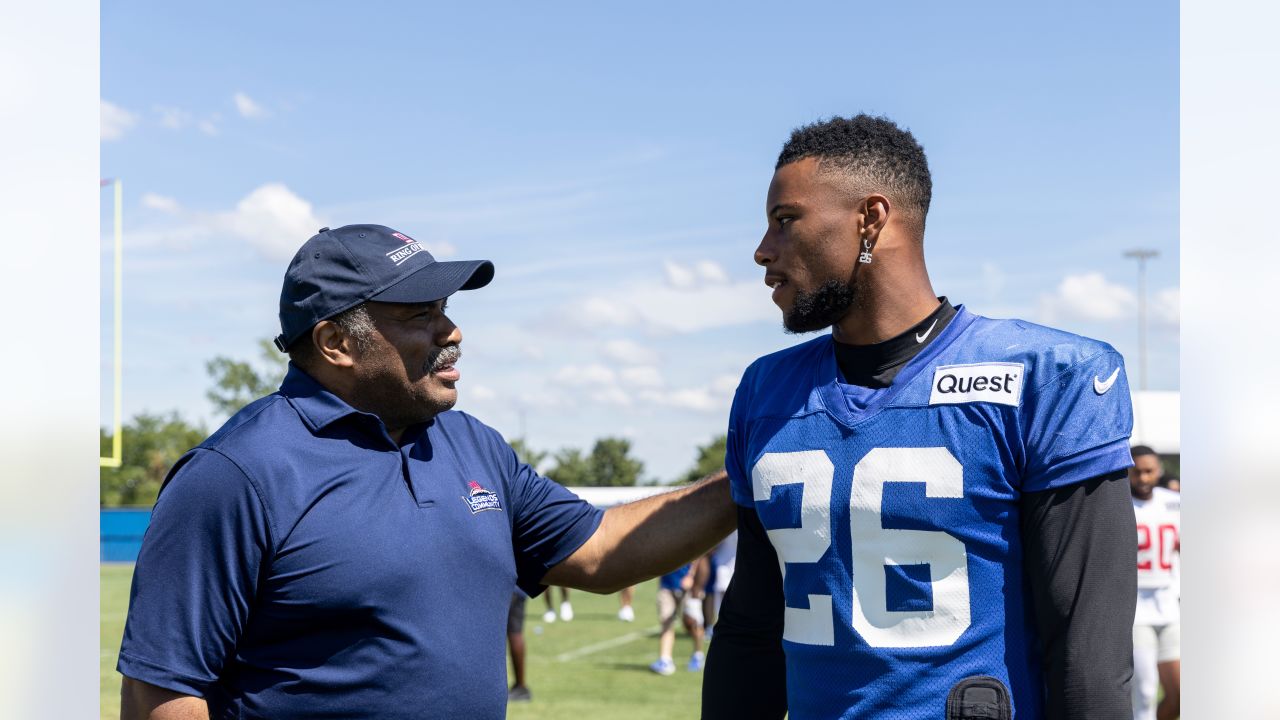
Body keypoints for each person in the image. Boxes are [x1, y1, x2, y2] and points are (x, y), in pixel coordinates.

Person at [116, 224, 736, 720]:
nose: (453, 331)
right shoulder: (236, 474)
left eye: (446, 308)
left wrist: (749, 480)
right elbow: (160, 692)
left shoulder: (473, 445)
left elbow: (601, 551)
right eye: (421, 315)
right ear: (336, 342)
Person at [702, 116, 1138, 720]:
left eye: (785, 220)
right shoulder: (765, 390)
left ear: (870, 220)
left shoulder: (1048, 375)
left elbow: (1087, 650)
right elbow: (752, 624)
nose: (762, 250)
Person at [1129, 445, 1180, 720]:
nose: (1144, 478)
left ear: (1158, 470)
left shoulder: (1173, 502)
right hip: (1136, 609)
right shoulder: (1121, 504)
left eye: (1149, 471)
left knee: (1181, 693)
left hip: (1168, 604)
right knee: (1146, 693)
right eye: (1137, 472)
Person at [649, 555, 709, 675]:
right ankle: (665, 660)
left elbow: (700, 555)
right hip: (666, 586)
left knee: (693, 622)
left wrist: (691, 575)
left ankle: (698, 654)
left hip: (689, 588)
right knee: (666, 621)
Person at [507, 591, 532, 702]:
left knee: (514, 633)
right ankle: (520, 686)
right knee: (516, 632)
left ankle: (520, 687)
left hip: (507, 588)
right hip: (520, 587)